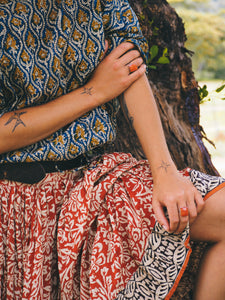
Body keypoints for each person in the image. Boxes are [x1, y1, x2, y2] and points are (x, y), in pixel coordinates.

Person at [0, 0, 225, 299]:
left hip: (94, 182)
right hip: (17, 200)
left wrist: (165, 173)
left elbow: (129, 70)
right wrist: (94, 92)